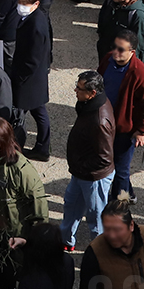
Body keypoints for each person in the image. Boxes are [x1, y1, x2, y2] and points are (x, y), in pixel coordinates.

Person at [98, 29, 144, 202]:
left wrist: (141, 130)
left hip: (124, 128)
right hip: (105, 123)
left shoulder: (140, 73)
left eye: (121, 49)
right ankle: (128, 194)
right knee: (109, 163)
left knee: (121, 171)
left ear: (132, 52)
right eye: (114, 47)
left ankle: (120, 204)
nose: (116, 51)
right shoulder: (108, 59)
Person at [62, 70, 115, 251]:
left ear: (93, 93)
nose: (75, 91)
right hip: (82, 172)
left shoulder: (100, 121)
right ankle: (66, 241)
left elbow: (104, 158)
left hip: (93, 178)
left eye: (79, 88)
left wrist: (81, 167)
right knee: (71, 205)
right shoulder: (89, 105)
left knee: (96, 218)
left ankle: (100, 253)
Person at [0, 116, 47, 234]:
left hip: (13, 236)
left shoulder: (22, 170)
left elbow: (39, 210)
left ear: (3, 143)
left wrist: (30, 240)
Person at [11, 0, 51, 160]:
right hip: (34, 77)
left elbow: (32, 59)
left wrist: (20, 77)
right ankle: (42, 147)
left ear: (35, 3)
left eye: (23, 3)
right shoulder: (37, 17)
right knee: (38, 111)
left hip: (29, 79)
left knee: (26, 113)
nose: (20, 5)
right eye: (19, 1)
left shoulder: (35, 24)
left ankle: (27, 146)